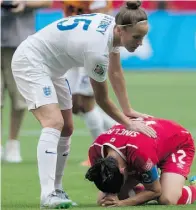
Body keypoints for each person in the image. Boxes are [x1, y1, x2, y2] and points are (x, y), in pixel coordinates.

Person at [11, 1, 156, 208]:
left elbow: (116, 72)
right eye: (136, 37)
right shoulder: (97, 50)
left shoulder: (112, 26)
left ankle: (57, 189)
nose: (140, 42)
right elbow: (102, 100)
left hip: (53, 68)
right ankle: (47, 195)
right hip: (31, 61)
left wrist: (128, 109)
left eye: (143, 37)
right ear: (120, 30)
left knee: (67, 127)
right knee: (53, 123)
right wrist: (128, 123)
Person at [85, 117, 196, 207]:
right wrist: (111, 196)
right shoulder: (95, 152)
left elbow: (155, 191)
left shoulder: (139, 153)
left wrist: (123, 203)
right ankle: (155, 179)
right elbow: (106, 180)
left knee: (167, 199)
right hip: (148, 147)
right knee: (103, 200)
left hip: (177, 143)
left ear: (123, 170)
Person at [63, 0, 116, 167]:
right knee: (73, 104)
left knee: (86, 103)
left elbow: (100, 17)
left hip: (90, 48)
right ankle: (120, 129)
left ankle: (101, 154)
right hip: (72, 46)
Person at [1, 0, 52, 163]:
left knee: (19, 99)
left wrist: (24, 3)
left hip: (20, 43)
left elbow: (47, 2)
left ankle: (13, 143)